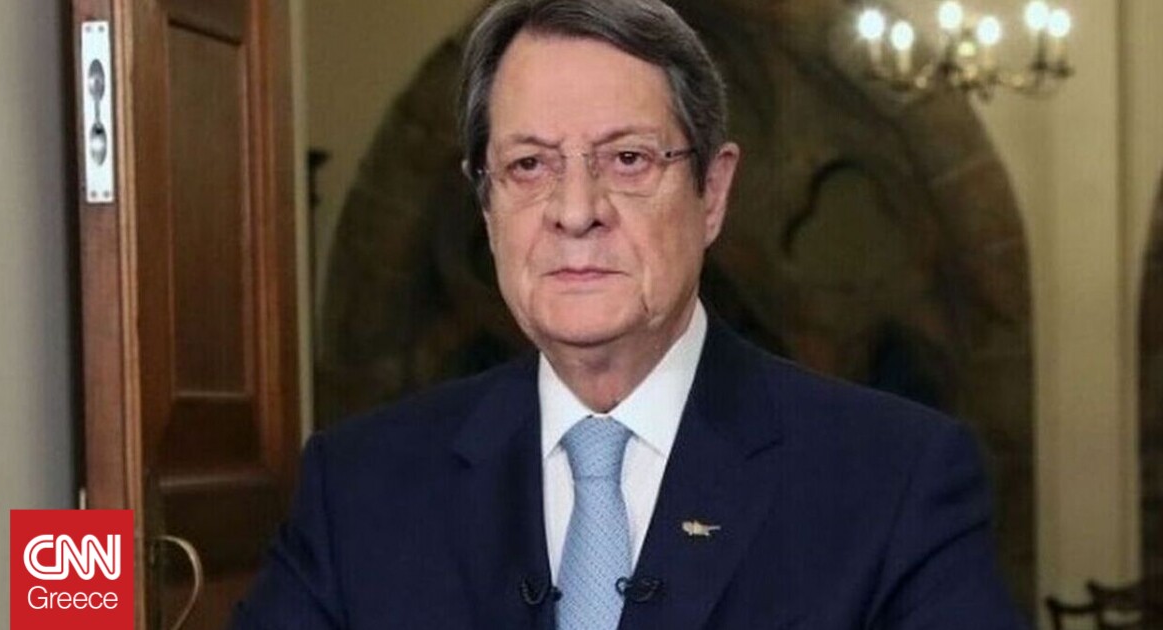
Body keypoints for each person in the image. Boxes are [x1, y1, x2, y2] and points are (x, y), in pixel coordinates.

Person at [232, 0, 1028, 627]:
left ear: (712, 193)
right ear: (486, 204)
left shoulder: (894, 479)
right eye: (529, 165)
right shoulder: (359, 488)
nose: (576, 211)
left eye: (628, 159)